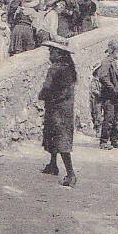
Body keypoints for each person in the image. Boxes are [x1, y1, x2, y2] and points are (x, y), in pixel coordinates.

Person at [39, 41, 78, 187]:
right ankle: (53, 164)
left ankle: (71, 174)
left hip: (56, 108)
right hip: (66, 109)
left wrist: (41, 95)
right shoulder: (69, 69)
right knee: (55, 136)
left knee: (59, 139)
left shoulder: (54, 69)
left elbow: (46, 88)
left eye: (52, 51)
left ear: (59, 53)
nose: (50, 54)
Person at [98, 38, 118, 150]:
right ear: (112, 50)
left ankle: (114, 140)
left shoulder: (112, 62)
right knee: (109, 118)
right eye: (117, 50)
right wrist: (113, 89)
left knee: (116, 119)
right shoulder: (106, 62)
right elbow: (103, 77)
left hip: (115, 95)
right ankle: (104, 141)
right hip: (109, 95)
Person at [89, 64, 102, 137]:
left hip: (101, 99)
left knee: (102, 114)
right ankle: (98, 130)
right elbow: (93, 90)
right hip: (96, 100)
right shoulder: (94, 80)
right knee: (97, 115)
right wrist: (99, 93)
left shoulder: (101, 79)